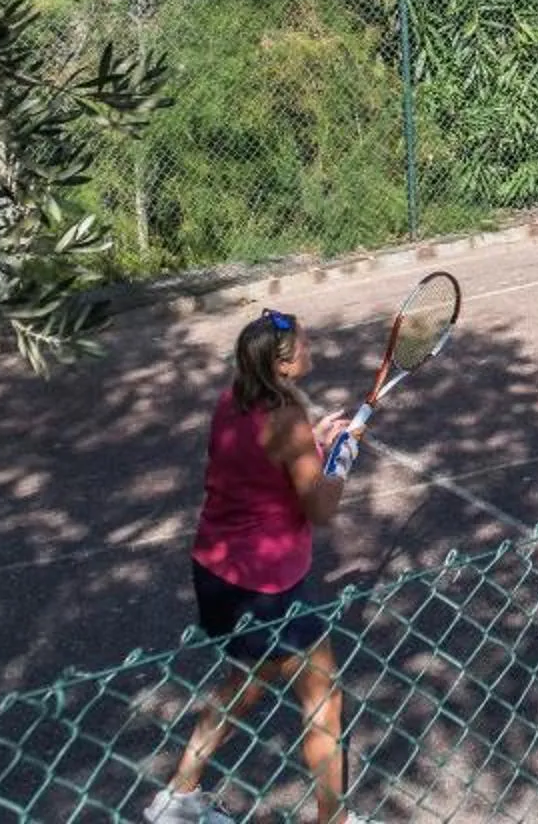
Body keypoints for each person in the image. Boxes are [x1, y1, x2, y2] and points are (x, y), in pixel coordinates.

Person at [146, 310, 369, 824]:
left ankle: (177, 799)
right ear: (283, 363)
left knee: (247, 682)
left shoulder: (232, 401)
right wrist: (338, 461)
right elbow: (321, 509)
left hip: (215, 573)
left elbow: (263, 457)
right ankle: (333, 820)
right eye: (303, 342)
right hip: (268, 587)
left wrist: (314, 439)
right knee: (324, 699)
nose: (311, 345)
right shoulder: (286, 418)